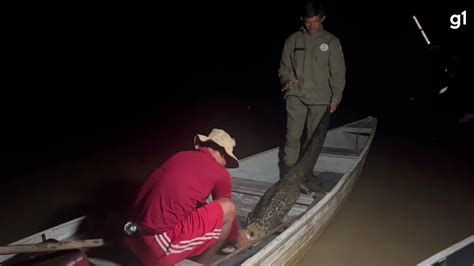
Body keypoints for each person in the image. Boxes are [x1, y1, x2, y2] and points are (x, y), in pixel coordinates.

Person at [122, 128, 249, 265]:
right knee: (228, 207)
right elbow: (227, 209)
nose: (226, 166)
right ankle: (201, 263)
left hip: (133, 237)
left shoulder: (180, 156)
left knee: (199, 204)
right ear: (223, 154)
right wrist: (236, 239)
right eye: (227, 161)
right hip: (158, 250)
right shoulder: (220, 172)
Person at [278, 0, 346, 174]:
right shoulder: (293, 40)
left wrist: (336, 97)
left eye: (316, 21)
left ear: (322, 18)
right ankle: (288, 173)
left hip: (321, 98)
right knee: (292, 137)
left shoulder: (331, 41)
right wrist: (286, 80)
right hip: (296, 96)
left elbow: (338, 72)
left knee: (312, 140)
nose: (312, 26)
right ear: (302, 19)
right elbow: (284, 67)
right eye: (308, 22)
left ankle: (305, 174)